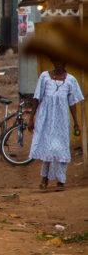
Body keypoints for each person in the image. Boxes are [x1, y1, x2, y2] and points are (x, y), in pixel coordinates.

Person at [28, 59, 84, 190]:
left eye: (61, 62)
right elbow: (37, 98)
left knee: (61, 148)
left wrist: (76, 123)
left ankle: (61, 181)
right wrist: (31, 118)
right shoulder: (44, 77)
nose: (58, 64)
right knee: (48, 147)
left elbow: (72, 103)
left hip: (62, 120)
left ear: (65, 63)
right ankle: (44, 178)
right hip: (46, 118)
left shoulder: (71, 80)